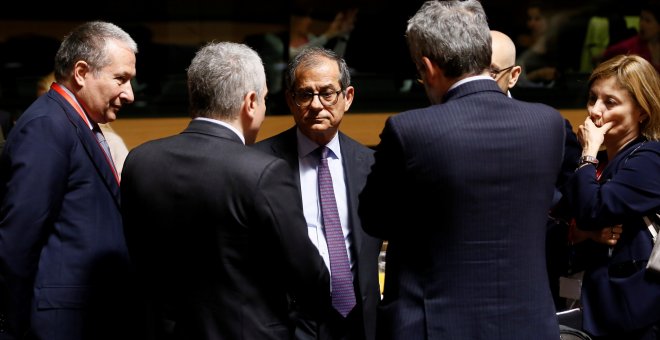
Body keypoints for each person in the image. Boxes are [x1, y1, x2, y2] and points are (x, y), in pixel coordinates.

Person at [358, 1, 565, 339]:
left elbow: (375, 218)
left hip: (435, 324)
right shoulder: (548, 124)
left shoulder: (410, 130)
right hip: (529, 324)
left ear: (427, 67)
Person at [120, 41, 330, 339]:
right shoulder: (262, 171)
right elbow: (310, 277)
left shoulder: (140, 161)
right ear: (251, 102)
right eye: (266, 100)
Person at [0, 21, 138, 339]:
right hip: (58, 322)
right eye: (121, 79)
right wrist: (13, 326)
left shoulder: (73, 120)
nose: (129, 94)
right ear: (80, 72)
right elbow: (19, 237)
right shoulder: (47, 125)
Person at [254, 46, 381, 340]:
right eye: (304, 94)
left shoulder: (372, 164)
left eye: (327, 93)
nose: (316, 104)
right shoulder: (258, 162)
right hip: (291, 321)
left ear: (347, 98)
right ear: (290, 100)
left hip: (359, 320)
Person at [558, 54, 660, 340]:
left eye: (610, 102)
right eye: (592, 98)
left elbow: (593, 209)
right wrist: (582, 234)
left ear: (642, 111)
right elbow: (559, 220)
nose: (594, 111)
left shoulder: (651, 158)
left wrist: (588, 153)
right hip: (590, 308)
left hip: (635, 318)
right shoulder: (593, 163)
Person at [602, 0, 660, 73]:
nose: (642, 24)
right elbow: (607, 55)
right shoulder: (629, 47)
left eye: (648, 21)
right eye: (641, 18)